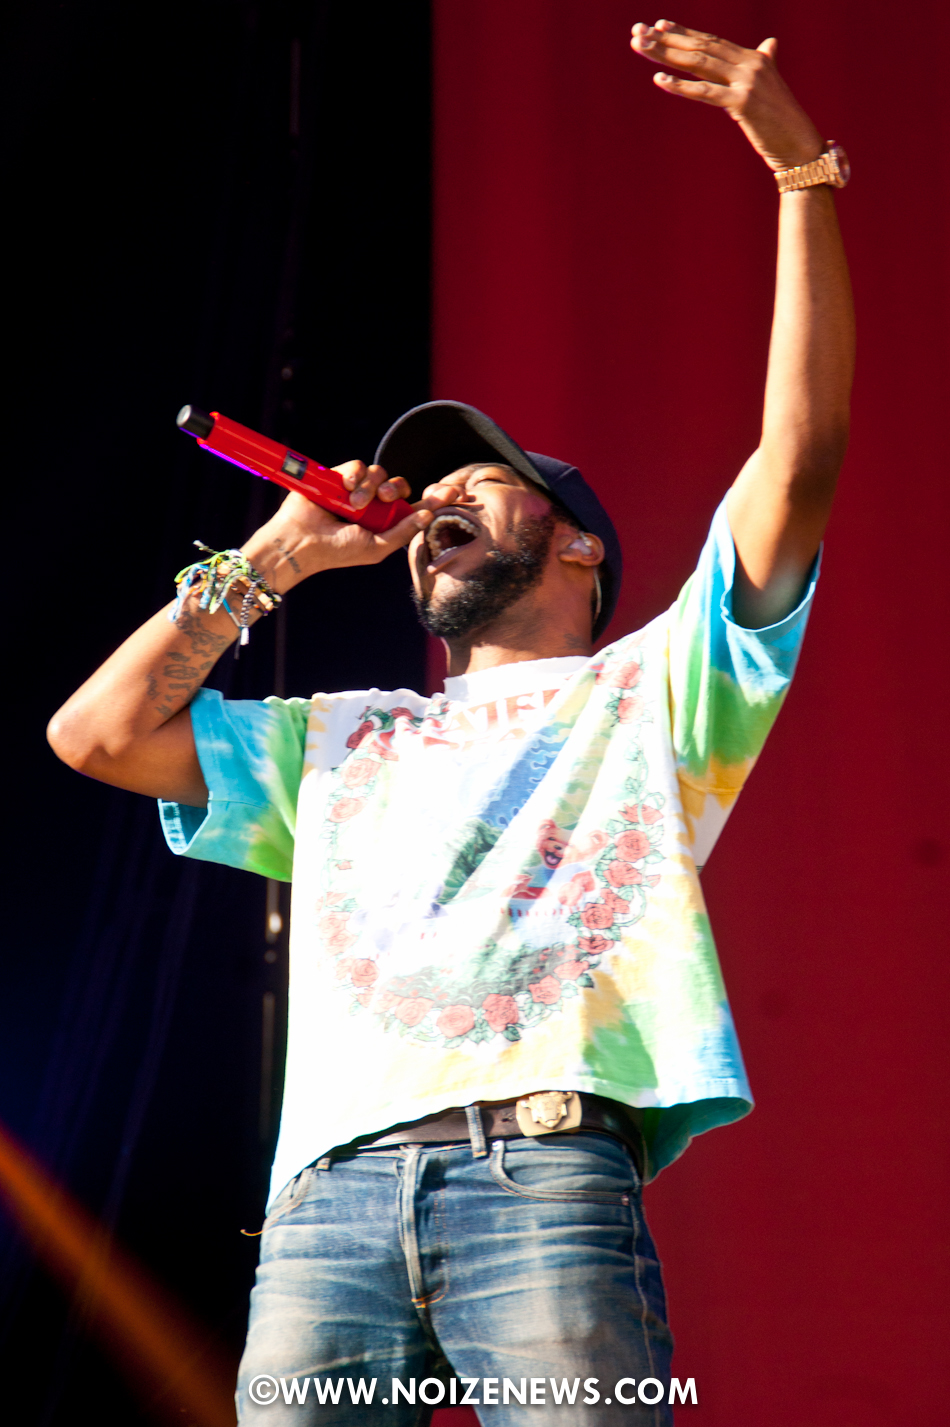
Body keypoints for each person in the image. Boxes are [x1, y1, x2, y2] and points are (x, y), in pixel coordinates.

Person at [48, 19, 854, 1425]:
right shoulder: (344, 739)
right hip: (323, 1204)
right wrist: (272, 560)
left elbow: (799, 461)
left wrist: (801, 175)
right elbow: (96, 736)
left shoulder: (655, 691)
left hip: (541, 1173)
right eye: (426, 496)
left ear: (580, 543)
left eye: (478, 481)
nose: (434, 505)